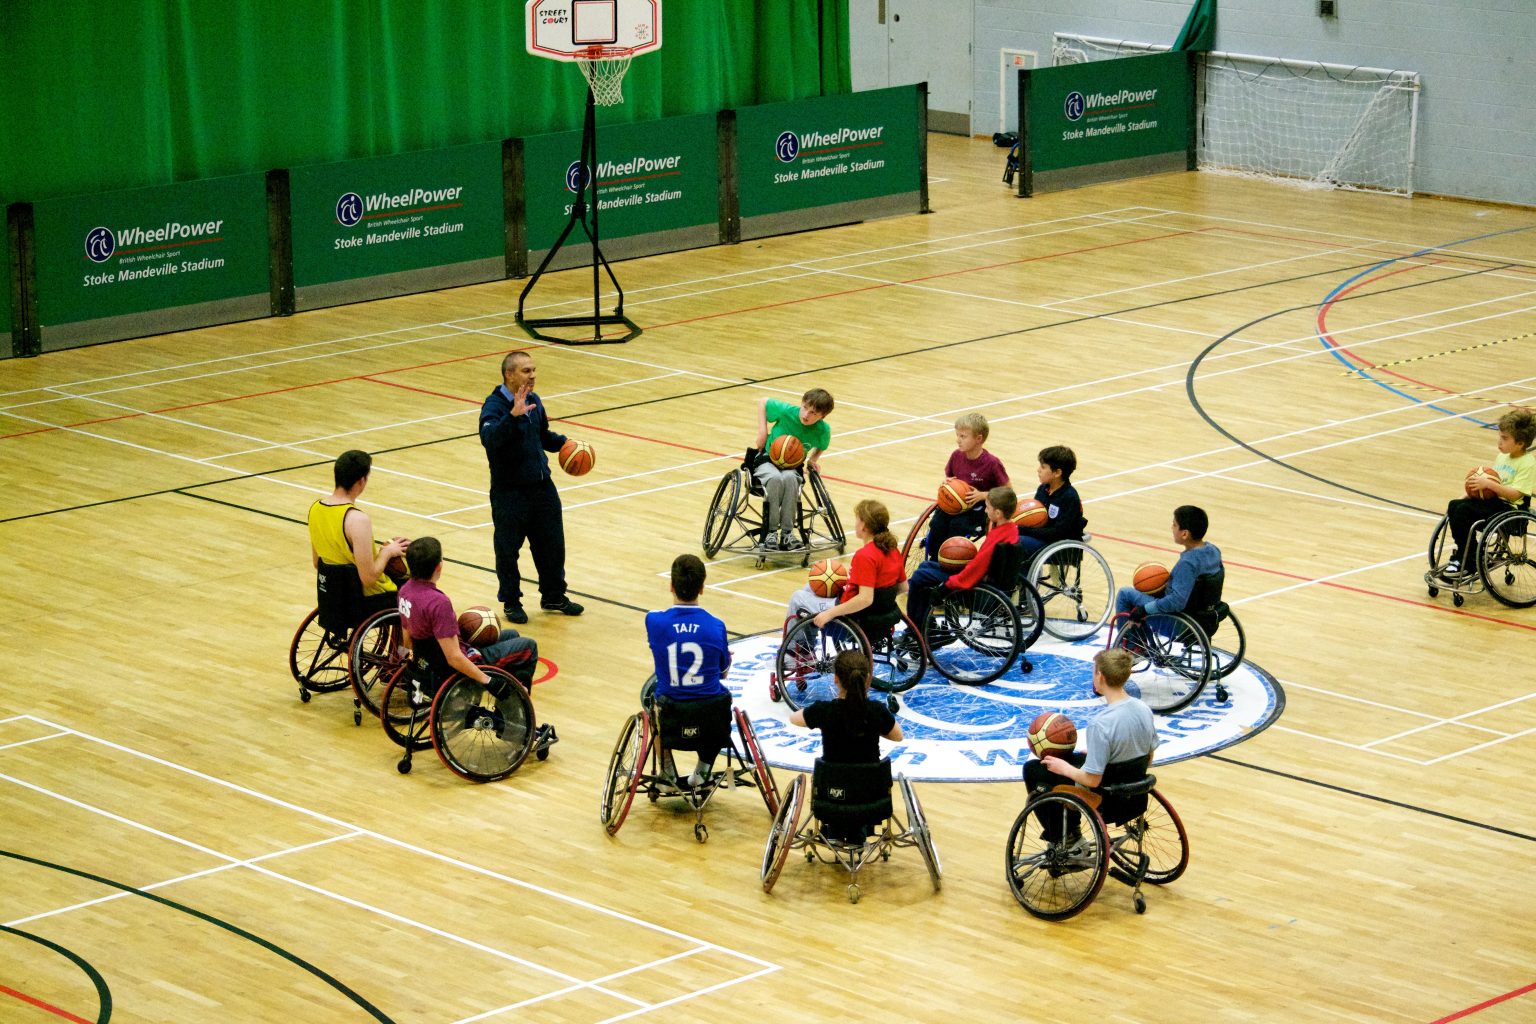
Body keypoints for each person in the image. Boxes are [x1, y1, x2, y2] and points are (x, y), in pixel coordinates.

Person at [480, 351, 583, 624]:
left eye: (534, 370)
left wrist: (566, 444)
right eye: (526, 371)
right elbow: (490, 440)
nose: (533, 375)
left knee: (552, 545)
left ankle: (553, 595)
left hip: (541, 487)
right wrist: (512, 416)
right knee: (507, 550)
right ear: (509, 374)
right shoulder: (494, 406)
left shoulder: (534, 400)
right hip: (510, 492)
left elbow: (542, 435)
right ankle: (512, 601)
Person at [1023, 648, 1156, 842]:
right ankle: (1070, 833)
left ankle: (1066, 838)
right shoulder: (1143, 709)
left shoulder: (1100, 723)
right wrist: (1103, 754)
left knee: (1035, 770)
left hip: (1105, 797)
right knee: (1073, 758)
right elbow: (1149, 756)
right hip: (1134, 792)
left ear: (1100, 676)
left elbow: (1092, 780)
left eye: (1094, 671)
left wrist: (1065, 768)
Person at [397, 536, 539, 683]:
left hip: (427, 659)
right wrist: (488, 681)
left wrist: (406, 660)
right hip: (452, 666)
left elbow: (406, 635)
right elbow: (453, 657)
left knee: (511, 635)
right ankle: (512, 700)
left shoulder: (405, 590)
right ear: (439, 566)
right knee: (529, 646)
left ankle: (510, 693)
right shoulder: (438, 603)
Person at [645, 554, 732, 789]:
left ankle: (667, 770)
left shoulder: (653, 621)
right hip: (710, 714)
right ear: (702, 588)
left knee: (649, 698)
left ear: (671, 586)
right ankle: (703, 770)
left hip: (671, 710)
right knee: (720, 701)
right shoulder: (716, 625)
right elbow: (723, 672)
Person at [1436, 409, 1536, 581]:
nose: (1499, 442)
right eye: (1500, 436)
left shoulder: (1528, 463)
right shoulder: (1502, 457)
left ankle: (1468, 559)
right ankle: (1466, 554)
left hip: (1510, 510)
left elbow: (1514, 494)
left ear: (1520, 443)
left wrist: (1490, 484)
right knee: (1455, 505)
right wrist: (1470, 493)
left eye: (1505, 438)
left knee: (1464, 512)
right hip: (1494, 504)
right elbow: (1489, 489)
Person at [307, 449, 408, 616]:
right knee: (412, 594)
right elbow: (368, 578)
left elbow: (317, 563)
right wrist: (387, 552)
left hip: (332, 596)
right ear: (362, 480)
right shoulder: (357, 520)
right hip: (362, 599)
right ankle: (403, 643)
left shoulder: (315, 508)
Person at [906, 486, 1019, 632]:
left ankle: (917, 630)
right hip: (991, 581)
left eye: (987, 508)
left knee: (919, 576)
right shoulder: (1011, 529)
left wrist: (945, 587)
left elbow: (974, 571)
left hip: (977, 589)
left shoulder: (996, 540)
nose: (985, 510)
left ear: (997, 513)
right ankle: (924, 627)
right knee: (926, 565)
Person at [785, 499, 907, 633]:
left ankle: (795, 651)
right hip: (879, 614)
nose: (855, 524)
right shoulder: (892, 549)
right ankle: (805, 645)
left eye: (857, 519)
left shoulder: (865, 556)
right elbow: (904, 587)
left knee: (797, 598)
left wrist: (830, 613)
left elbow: (865, 599)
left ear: (864, 526)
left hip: (853, 618)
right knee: (812, 587)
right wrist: (881, 601)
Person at [750, 388, 835, 551]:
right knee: (775, 478)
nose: (806, 415)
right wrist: (763, 431)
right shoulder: (787, 411)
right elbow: (763, 402)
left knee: (789, 479)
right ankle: (771, 532)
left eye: (813, 413)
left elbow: (821, 446)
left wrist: (812, 460)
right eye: (805, 408)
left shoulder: (823, 430)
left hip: (793, 465)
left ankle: (787, 533)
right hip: (768, 458)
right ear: (801, 403)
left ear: (822, 416)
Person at [788, 649, 902, 763]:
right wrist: (875, 728)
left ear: (836, 678)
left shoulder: (824, 710)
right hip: (870, 780)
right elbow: (898, 736)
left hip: (831, 780)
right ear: (867, 678)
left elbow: (793, 718)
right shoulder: (877, 711)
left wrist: (820, 720)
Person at [1114, 505, 1222, 622]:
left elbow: (1177, 601)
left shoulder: (1187, 564)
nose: (1172, 528)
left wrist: (1145, 609)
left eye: (1175, 525)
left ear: (1185, 534)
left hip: (1177, 621)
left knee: (1125, 594)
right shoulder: (1214, 551)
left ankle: (1128, 640)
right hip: (1204, 615)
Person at [924, 413, 1009, 558]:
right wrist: (947, 484)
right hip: (954, 506)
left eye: (963, 436)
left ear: (978, 439)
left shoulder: (992, 463)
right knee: (937, 524)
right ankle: (935, 559)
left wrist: (982, 495)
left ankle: (952, 560)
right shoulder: (956, 456)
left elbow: (1007, 492)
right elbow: (950, 479)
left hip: (978, 509)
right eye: (957, 435)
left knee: (957, 526)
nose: (958, 440)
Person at [1014, 445, 1086, 566]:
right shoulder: (1043, 489)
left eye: (1043, 467)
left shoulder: (1070, 497)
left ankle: (1024, 582)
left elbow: (1058, 533)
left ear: (1057, 472)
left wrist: (1025, 530)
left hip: (1059, 545)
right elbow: (1035, 519)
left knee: (1017, 542)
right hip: (1043, 539)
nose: (1038, 470)